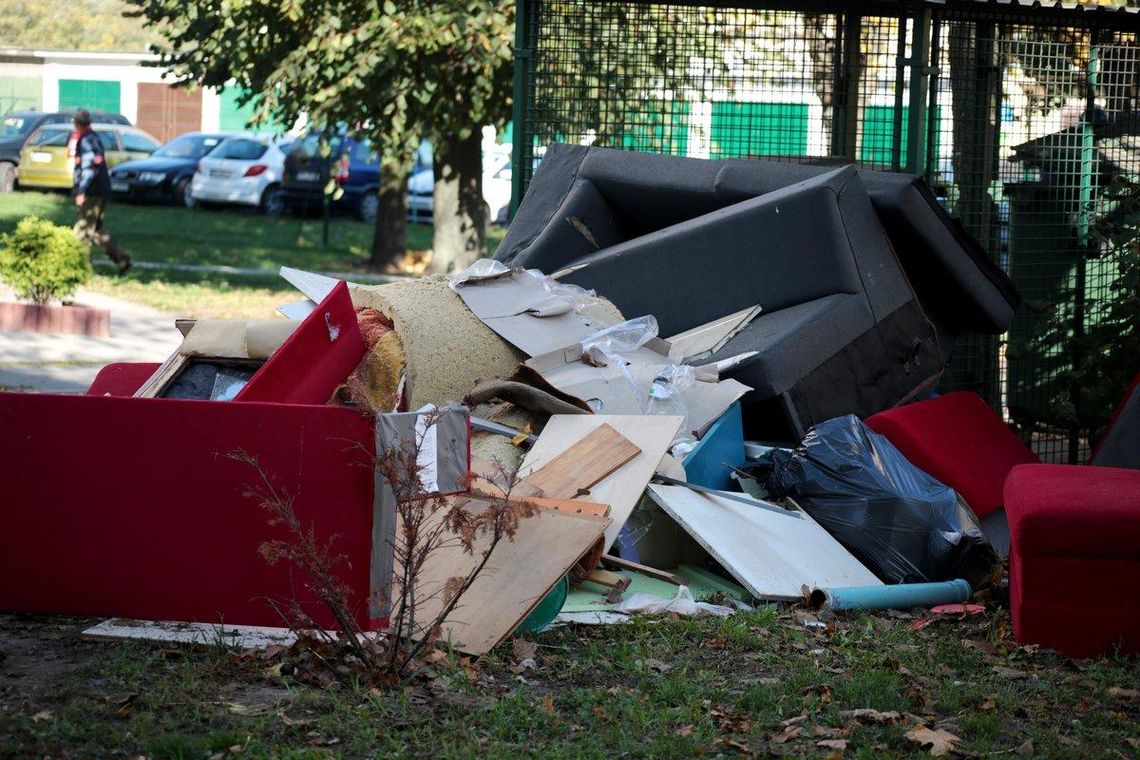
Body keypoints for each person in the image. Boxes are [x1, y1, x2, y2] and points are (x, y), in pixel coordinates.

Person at [71, 109, 131, 275]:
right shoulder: (93, 138)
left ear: (77, 123)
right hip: (101, 190)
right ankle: (122, 260)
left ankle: (82, 268)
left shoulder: (86, 141)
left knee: (82, 231)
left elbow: (89, 168)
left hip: (92, 192)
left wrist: (82, 191)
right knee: (97, 230)